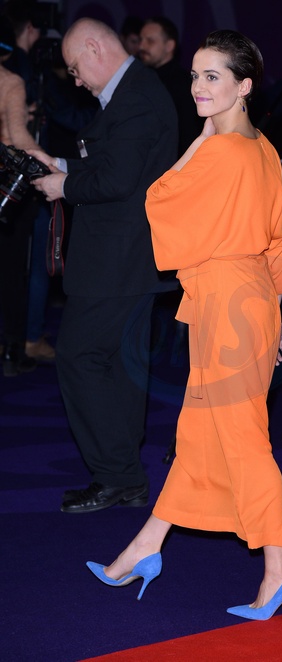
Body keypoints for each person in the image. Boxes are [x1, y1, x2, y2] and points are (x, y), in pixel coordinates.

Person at [85, 29, 282, 622]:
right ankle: (145, 547)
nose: (198, 88)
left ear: (244, 86)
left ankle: (280, 566)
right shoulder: (264, 149)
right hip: (247, 307)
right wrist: (270, 318)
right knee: (201, 436)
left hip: (227, 310)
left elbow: (160, 198)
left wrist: (200, 139)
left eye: (212, 77)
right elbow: (280, 248)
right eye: (194, 76)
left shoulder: (222, 152)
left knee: (242, 441)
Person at [31, 17, 178, 513]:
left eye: (75, 68)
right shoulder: (136, 91)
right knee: (120, 365)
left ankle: (118, 474)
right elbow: (116, 165)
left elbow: (117, 181)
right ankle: (124, 475)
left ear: (95, 48)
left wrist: (64, 185)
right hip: (129, 258)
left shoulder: (135, 96)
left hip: (120, 259)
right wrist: (61, 166)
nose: (75, 80)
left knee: (79, 357)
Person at [0, 17, 40, 376]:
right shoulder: (10, 82)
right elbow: (18, 138)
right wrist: (48, 164)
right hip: (4, 187)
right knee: (12, 270)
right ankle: (12, 349)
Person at [139, 16, 203, 155]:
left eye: (150, 41)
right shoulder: (140, 79)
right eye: (141, 40)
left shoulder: (184, 85)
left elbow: (188, 133)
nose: (141, 46)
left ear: (169, 46)